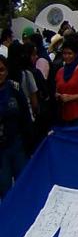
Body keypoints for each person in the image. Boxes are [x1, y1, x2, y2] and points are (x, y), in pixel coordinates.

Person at [0, 55, 30, 200]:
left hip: (17, 144)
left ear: (6, 71)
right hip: (1, 151)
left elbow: (25, 114)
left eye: (1, 70)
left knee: (22, 183)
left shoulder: (14, 88)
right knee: (5, 187)